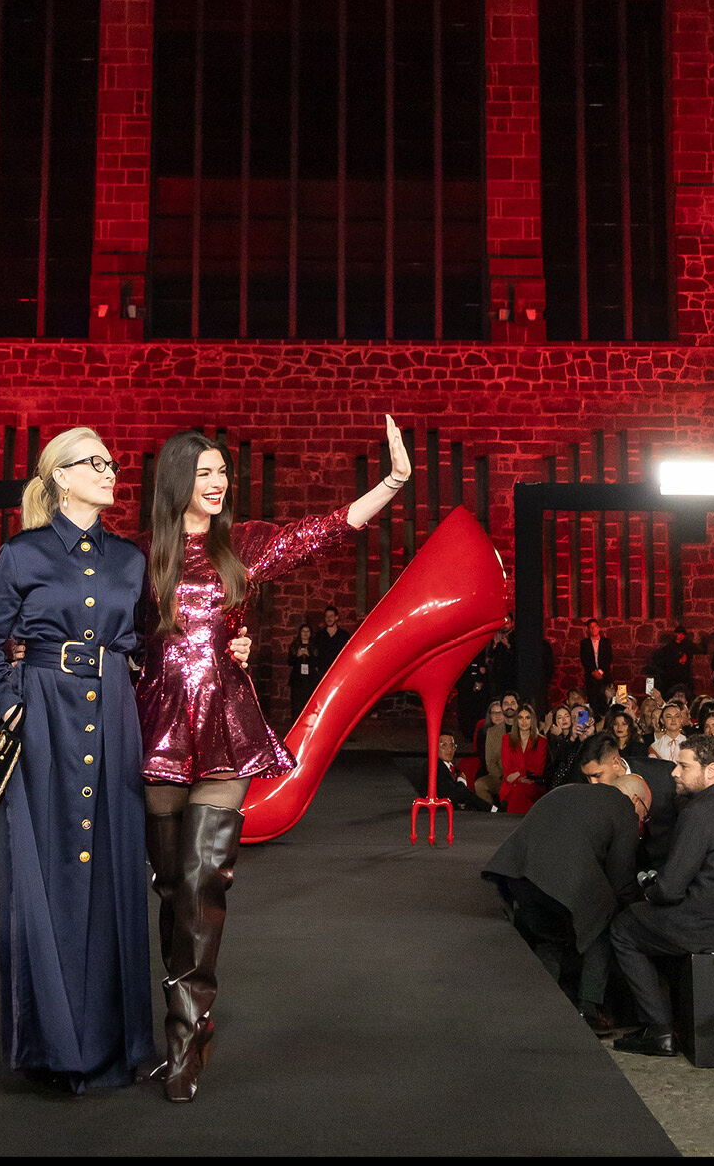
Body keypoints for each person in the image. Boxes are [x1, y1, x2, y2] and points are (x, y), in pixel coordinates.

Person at [136, 413, 411, 1102]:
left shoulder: (246, 543)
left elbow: (323, 531)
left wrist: (392, 482)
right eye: (203, 473)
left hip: (224, 720)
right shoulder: (140, 556)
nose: (218, 482)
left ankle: (186, 1035)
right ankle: (183, 1014)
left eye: (222, 472)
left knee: (206, 881)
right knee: (171, 888)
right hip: (157, 725)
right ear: (176, 481)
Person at [0, 426, 212, 1093]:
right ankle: (51, 1043)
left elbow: (152, 645)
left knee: (110, 869)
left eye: (110, 462)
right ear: (61, 479)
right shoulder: (20, 554)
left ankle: (111, 1043)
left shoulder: (130, 561)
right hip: (42, 715)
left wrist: (226, 650)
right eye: (95, 463)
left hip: (113, 715)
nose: (110, 471)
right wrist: (11, 701)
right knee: (44, 873)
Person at [609, 734, 714, 1057]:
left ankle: (659, 1029)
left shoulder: (698, 812)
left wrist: (648, 891)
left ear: (711, 771)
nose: (674, 773)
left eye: (683, 765)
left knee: (624, 927)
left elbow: (670, 888)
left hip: (705, 925)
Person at [482, 774, 650, 1034]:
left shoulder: (570, 789)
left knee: (551, 938)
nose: (641, 821)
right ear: (636, 799)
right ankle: (589, 1009)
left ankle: (537, 1003)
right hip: (559, 880)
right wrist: (642, 908)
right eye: (644, 814)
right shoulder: (624, 809)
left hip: (519, 875)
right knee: (605, 921)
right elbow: (621, 879)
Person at [578, 730, 680, 869]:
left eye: (597, 775)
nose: (593, 783)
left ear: (616, 762)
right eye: (588, 777)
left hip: (669, 863)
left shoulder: (664, 775)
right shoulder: (592, 794)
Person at [498, 702, 547, 815]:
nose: (524, 721)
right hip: (511, 785)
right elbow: (507, 771)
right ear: (516, 720)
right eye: (520, 718)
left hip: (533, 783)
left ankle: (512, 823)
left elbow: (538, 769)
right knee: (518, 790)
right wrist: (522, 775)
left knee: (521, 790)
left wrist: (518, 774)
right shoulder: (507, 739)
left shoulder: (541, 741)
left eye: (527, 718)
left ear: (532, 720)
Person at [475, 691, 521, 806]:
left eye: (512, 703)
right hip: (500, 776)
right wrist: (502, 777)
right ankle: (492, 813)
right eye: (506, 703)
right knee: (480, 784)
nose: (509, 706)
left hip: (521, 775)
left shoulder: (524, 726)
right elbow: (490, 761)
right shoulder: (491, 732)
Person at [436, 732, 493, 812]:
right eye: (444, 745)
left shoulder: (452, 768)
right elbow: (454, 795)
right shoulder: (435, 767)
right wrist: (462, 781)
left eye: (452, 745)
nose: (449, 749)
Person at [579, 619, 613, 716]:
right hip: (591, 677)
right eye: (590, 627)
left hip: (604, 676)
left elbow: (609, 657)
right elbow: (584, 659)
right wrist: (593, 672)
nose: (593, 629)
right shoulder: (584, 643)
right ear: (588, 630)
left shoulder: (606, 642)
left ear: (598, 628)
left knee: (605, 700)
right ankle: (590, 724)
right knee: (592, 702)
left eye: (594, 627)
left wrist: (601, 672)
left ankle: (605, 722)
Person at [287, 622, 320, 722]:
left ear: (310, 633)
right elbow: (290, 662)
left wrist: (309, 655)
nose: (305, 633)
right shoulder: (294, 646)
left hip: (310, 680)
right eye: (303, 631)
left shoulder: (314, 646)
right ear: (300, 633)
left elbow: (317, 662)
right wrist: (297, 655)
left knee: (309, 702)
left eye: (307, 631)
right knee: (296, 703)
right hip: (297, 680)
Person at [314, 605, 350, 679]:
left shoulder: (344, 635)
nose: (329, 618)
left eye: (331, 616)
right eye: (327, 616)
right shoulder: (319, 635)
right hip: (322, 674)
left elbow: (348, 654)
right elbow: (315, 653)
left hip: (339, 673)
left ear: (336, 617)